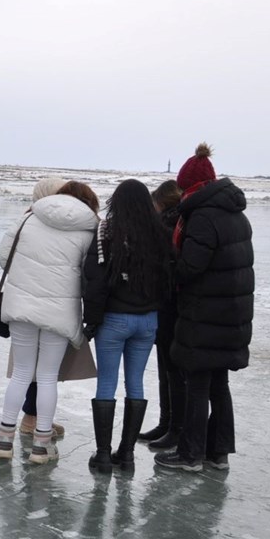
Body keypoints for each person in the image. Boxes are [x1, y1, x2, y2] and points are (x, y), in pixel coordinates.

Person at [155, 144, 254, 472]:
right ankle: (219, 452)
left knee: (198, 382)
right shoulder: (235, 214)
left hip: (205, 313)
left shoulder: (201, 217)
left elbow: (190, 268)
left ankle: (191, 454)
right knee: (218, 384)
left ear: (190, 186)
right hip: (232, 314)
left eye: (182, 187)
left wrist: (168, 263)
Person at [0, 181, 98, 465]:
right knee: (48, 376)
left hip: (21, 306)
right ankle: (41, 446)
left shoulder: (29, 217)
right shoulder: (90, 228)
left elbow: (3, 256)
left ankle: (4, 442)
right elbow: (91, 274)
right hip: (60, 311)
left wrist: (28, 275)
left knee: (21, 373)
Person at [82, 179, 173, 472]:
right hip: (148, 320)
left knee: (106, 383)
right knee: (136, 382)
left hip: (114, 319)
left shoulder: (106, 231)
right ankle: (128, 455)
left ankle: (104, 455)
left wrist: (92, 321)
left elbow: (95, 281)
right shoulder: (159, 232)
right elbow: (168, 278)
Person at [16, 177, 68, 438]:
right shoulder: (70, 223)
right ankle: (35, 422)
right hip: (57, 306)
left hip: (24, 304)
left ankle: (20, 425)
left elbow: (4, 257)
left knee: (25, 369)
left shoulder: (25, 221)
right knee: (46, 371)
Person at [142, 180, 186, 449]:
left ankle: (174, 426)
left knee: (172, 368)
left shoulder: (170, 226)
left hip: (171, 305)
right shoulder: (174, 224)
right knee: (166, 367)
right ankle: (167, 422)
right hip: (168, 305)